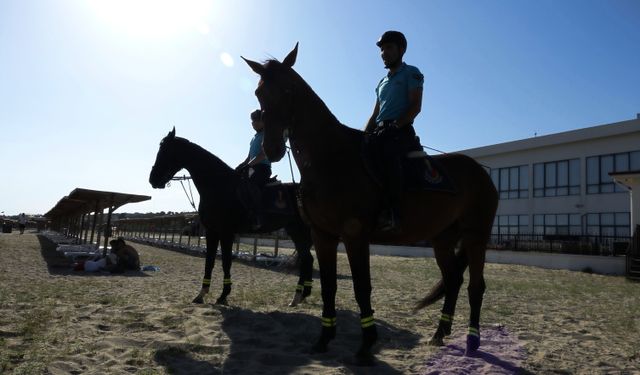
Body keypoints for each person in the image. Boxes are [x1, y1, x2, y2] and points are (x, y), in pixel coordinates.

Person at [364, 30, 424, 232]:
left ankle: (393, 213)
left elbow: (415, 107)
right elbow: (374, 116)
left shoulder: (411, 73)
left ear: (401, 50)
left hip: (400, 131)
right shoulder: (381, 82)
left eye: (388, 47)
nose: (383, 52)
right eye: (381, 49)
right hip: (380, 131)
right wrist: (363, 136)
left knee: (389, 154)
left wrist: (395, 125)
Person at [235, 109, 273, 229]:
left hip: (263, 168)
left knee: (251, 184)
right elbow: (249, 157)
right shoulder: (254, 138)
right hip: (252, 167)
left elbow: (263, 155)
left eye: (256, 120)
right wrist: (240, 166)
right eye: (252, 121)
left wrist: (249, 165)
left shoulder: (266, 135)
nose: (253, 123)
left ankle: (260, 217)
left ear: (263, 121)